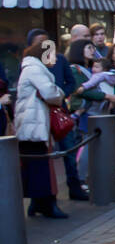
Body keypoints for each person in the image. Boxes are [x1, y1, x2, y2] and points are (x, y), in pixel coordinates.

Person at [27, 28, 87, 200]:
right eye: (39, 42)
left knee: (69, 150)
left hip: (60, 111)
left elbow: (71, 83)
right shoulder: (30, 63)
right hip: (39, 114)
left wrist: (60, 94)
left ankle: (74, 187)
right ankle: (42, 198)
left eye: (46, 42)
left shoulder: (59, 59)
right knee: (42, 156)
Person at [15, 39, 68, 218]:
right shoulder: (36, 69)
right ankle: (46, 205)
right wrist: (60, 93)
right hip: (35, 124)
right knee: (41, 166)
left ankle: (37, 204)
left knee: (35, 166)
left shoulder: (30, 68)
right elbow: (51, 93)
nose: (55, 59)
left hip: (31, 123)